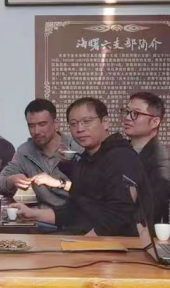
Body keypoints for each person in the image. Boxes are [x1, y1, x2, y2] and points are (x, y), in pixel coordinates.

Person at [15, 98, 147, 237]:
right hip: (86, 238)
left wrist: (85, 242)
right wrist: (32, 214)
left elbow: (120, 213)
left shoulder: (121, 156)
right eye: (73, 124)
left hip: (117, 244)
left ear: (105, 122)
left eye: (87, 121)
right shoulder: (85, 160)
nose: (80, 129)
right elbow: (74, 211)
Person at [0, 99, 81, 208]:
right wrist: (11, 180)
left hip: (77, 213)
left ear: (56, 124)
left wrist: (59, 183)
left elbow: (91, 190)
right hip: (43, 215)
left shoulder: (76, 148)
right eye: (31, 126)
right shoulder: (25, 151)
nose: (36, 131)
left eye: (42, 124)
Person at [124, 91, 170, 225]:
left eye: (135, 113)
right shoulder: (119, 150)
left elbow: (153, 207)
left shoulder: (163, 160)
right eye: (127, 112)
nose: (127, 118)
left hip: (137, 232)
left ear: (155, 122)